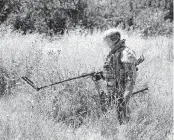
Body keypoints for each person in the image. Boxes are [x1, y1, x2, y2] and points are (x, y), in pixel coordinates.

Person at [93, 29, 137, 125]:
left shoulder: (125, 52)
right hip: (113, 89)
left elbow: (131, 75)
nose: (106, 43)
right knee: (114, 113)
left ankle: (126, 133)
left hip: (122, 89)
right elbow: (114, 70)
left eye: (107, 40)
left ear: (114, 39)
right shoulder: (114, 52)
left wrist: (127, 92)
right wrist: (100, 75)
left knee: (123, 115)